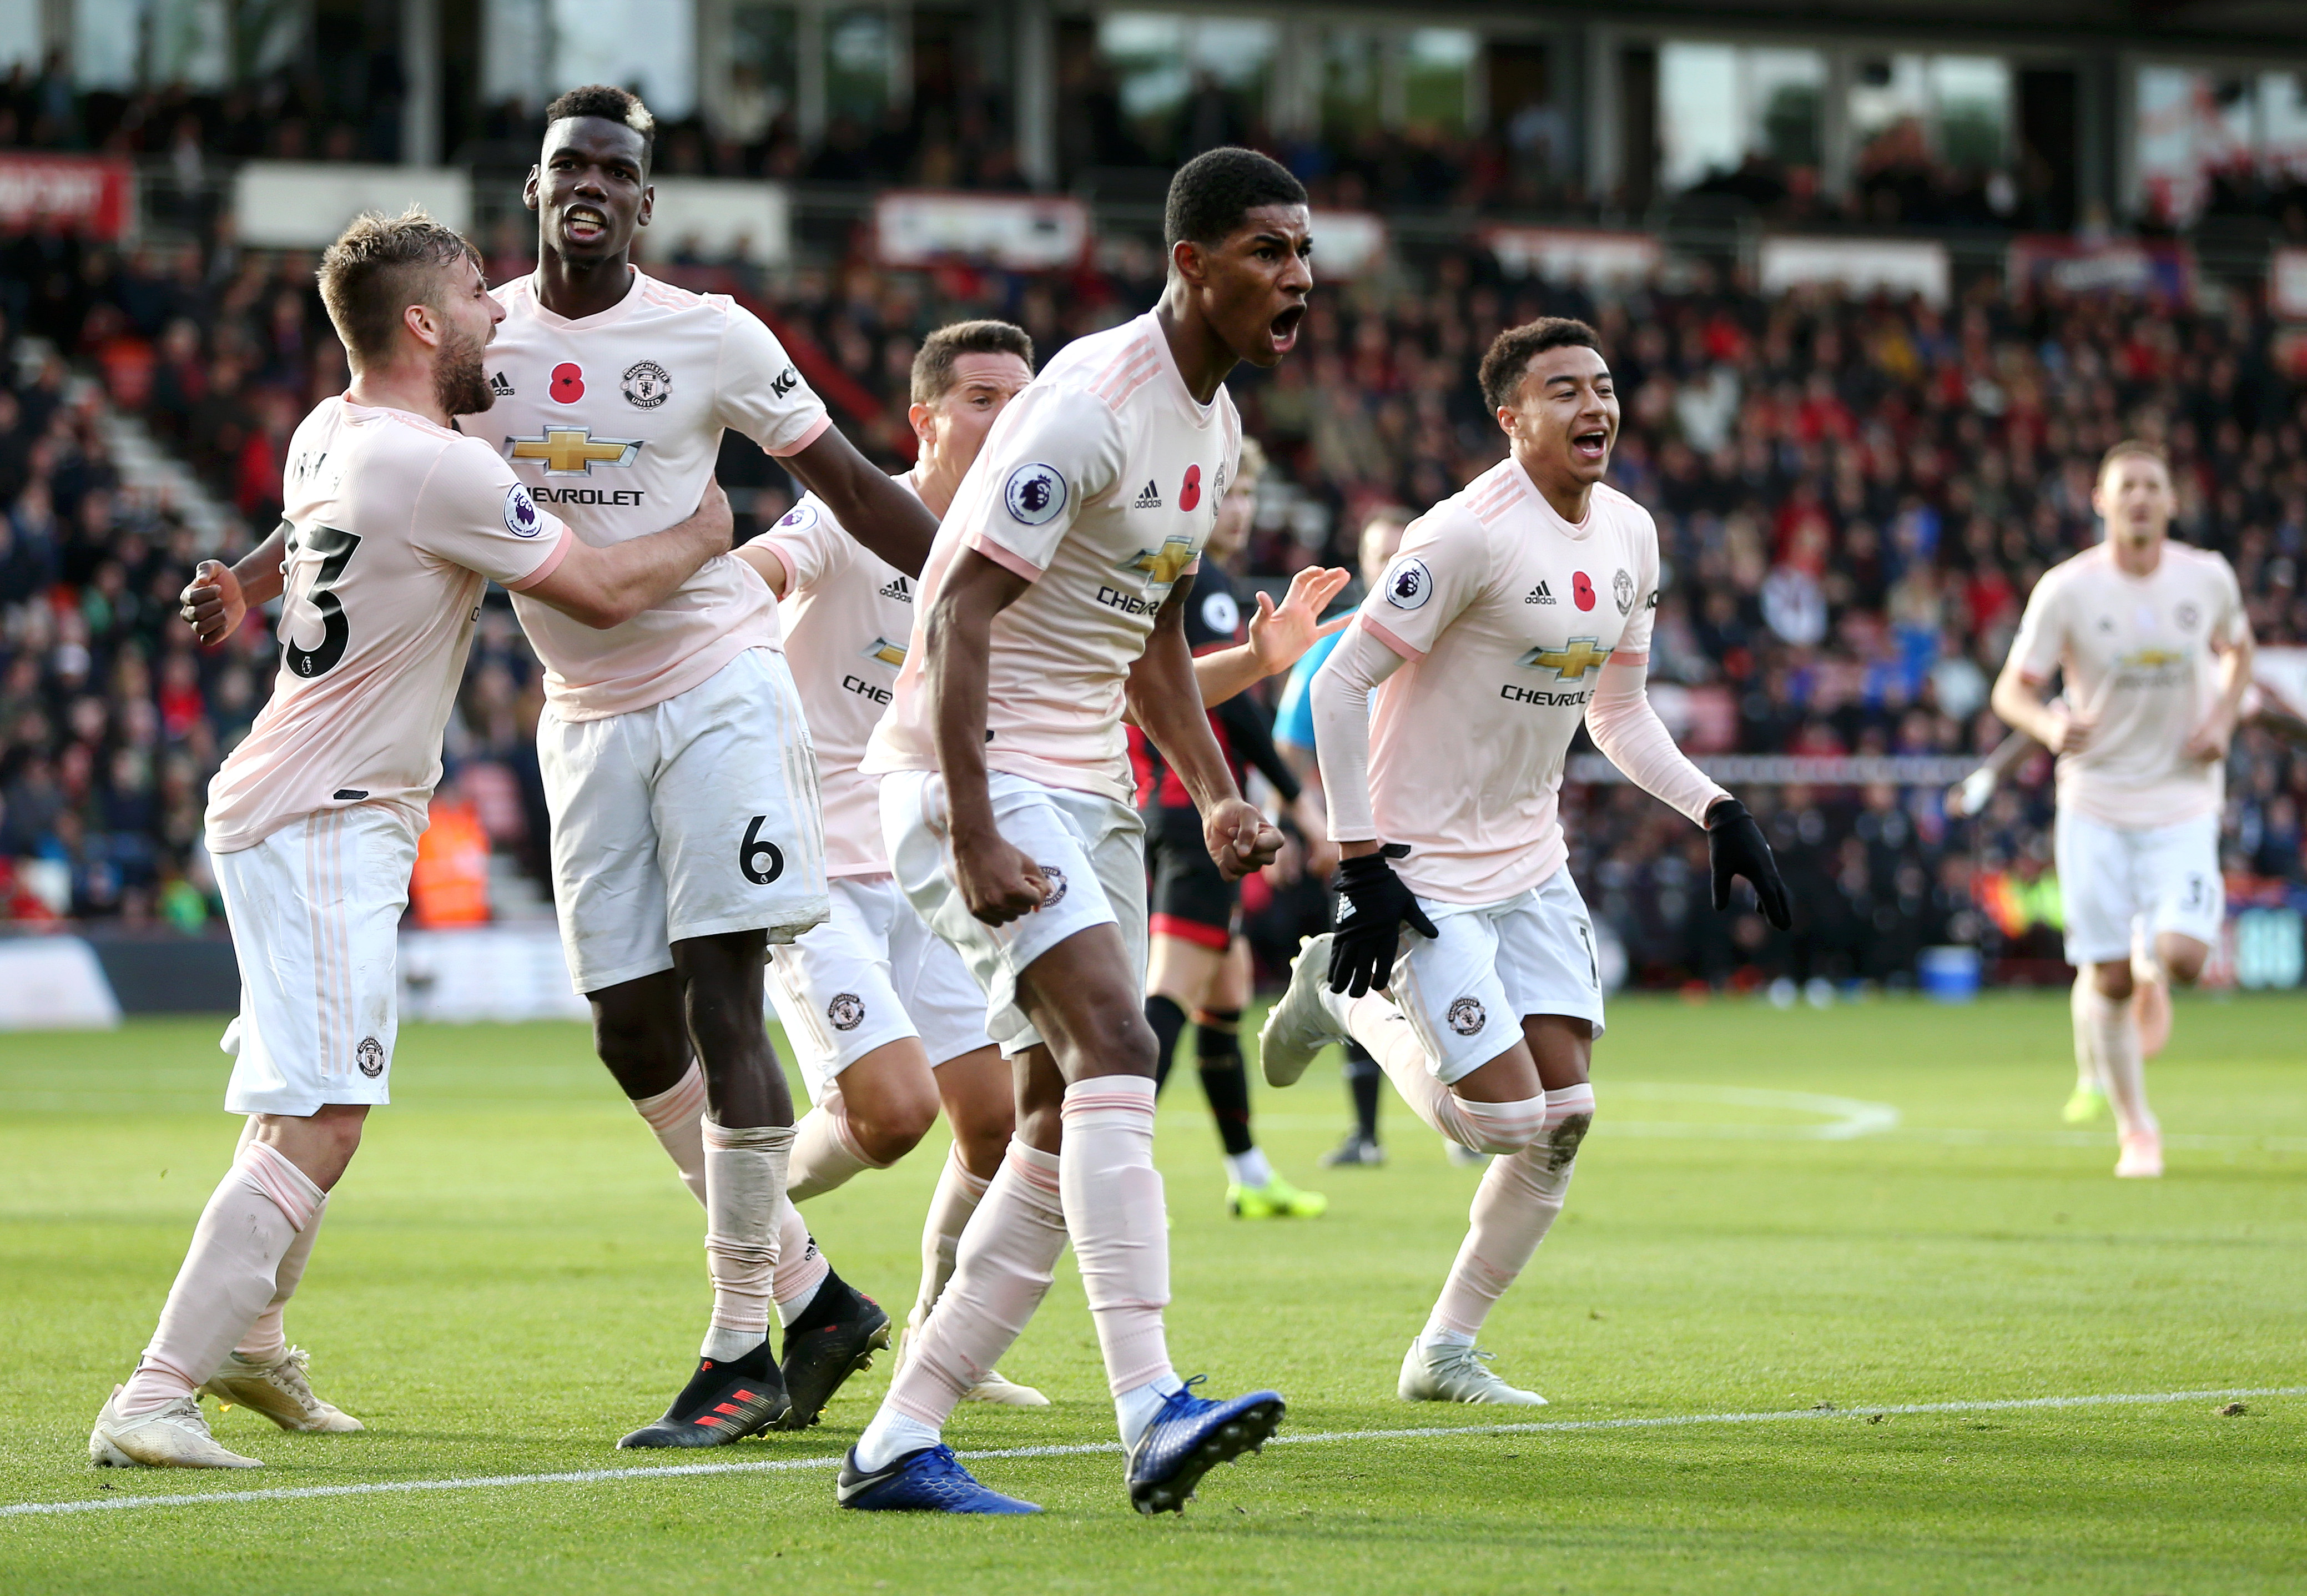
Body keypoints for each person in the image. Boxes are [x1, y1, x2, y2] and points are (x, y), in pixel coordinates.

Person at [92, 208, 734, 1467]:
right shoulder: (445, 468)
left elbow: (312, 528)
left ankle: (251, 1340)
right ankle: (155, 1391)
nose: (501, 310)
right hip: (323, 811)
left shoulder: (334, 429)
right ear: (425, 323)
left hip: (310, 799)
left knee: (303, 1100)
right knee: (326, 1116)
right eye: (480, 296)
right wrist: (706, 531)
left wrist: (247, 579)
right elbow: (599, 588)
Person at [457, 85, 941, 1447]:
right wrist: (260, 576)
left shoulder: (712, 333)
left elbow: (848, 482)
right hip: (582, 709)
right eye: (567, 164)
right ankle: (818, 1294)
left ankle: (741, 1345)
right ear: (536, 187)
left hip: (720, 690)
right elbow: (371, 467)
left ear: (646, 200)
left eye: (616, 166)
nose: (589, 184)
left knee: (727, 993)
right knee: (628, 1025)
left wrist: (972, 583)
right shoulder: (476, 340)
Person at [834, 147, 1312, 1516]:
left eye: (1301, 252)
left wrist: (1214, 787)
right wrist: (973, 826)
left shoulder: (1209, 427)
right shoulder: (1090, 404)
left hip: (1090, 782)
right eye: (1267, 251)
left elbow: (1150, 625)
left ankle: (899, 1436)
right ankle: (1151, 1398)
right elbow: (954, 616)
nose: (1295, 276)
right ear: (1190, 263)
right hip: (974, 774)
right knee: (1121, 1038)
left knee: (1056, 1115)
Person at [1260, 317, 1790, 1407]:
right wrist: (1360, 865)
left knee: (1565, 1119)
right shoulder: (1461, 536)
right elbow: (1334, 685)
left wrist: (1714, 807)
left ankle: (1441, 1351)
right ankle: (1339, 996)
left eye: (1602, 386)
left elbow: (1617, 709)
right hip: (1419, 870)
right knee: (1501, 1120)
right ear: (1511, 421)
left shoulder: (1631, 535)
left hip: (1530, 864)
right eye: (1563, 391)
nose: (1593, 406)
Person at [733, 320, 1047, 1408]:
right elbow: (758, 570)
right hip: (806, 862)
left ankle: (934, 1337)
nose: (1007, 418)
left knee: (994, 1122)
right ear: (924, 417)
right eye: (980, 398)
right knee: (893, 1115)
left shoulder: (1018, 555)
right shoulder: (850, 515)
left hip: (923, 863)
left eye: (1022, 397)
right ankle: (746, 1204)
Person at [1989, 441, 2254, 1179]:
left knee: (2186, 959)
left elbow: (2241, 649)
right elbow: (2011, 690)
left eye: (2153, 486)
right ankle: (2138, 1128)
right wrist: (2046, 725)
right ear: (2101, 501)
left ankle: (2153, 965)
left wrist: (2225, 718)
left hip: (2182, 798)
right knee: (2104, 979)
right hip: (2096, 801)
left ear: (2172, 501)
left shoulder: (2207, 577)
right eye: (2126, 487)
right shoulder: (2067, 589)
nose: (2140, 497)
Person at [1138, 435, 1342, 1219]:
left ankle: (1250, 1173)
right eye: (1228, 493)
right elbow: (1232, 709)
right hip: (1196, 811)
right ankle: (1093, 1159)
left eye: (1250, 494)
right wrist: (1300, 804)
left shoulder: (1206, 582)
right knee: (1169, 992)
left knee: (1222, 998)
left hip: (1178, 805)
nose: (1240, 509)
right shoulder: (1208, 589)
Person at [1273, 506, 1411, 1167]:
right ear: (1363, 566)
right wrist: (1309, 824)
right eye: (1380, 556)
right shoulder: (1335, 644)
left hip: (1435, 836)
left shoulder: (1447, 638)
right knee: (1369, 975)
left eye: (1402, 554)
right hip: (1362, 846)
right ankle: (1367, 1133)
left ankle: (1469, 1120)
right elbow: (1289, 748)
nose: (1391, 568)